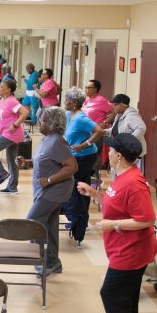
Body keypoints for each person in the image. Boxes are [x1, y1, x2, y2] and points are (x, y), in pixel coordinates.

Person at [76, 134, 157, 313]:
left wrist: (114, 225)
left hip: (132, 251)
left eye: (110, 151)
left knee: (111, 294)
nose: (107, 153)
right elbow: (117, 205)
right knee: (127, 295)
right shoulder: (121, 176)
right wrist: (95, 195)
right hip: (122, 248)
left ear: (119, 156)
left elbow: (147, 219)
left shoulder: (134, 183)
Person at [25, 106, 78, 275]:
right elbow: (45, 160)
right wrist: (27, 162)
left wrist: (49, 180)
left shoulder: (57, 141)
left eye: (43, 119)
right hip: (46, 190)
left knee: (32, 222)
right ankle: (53, 262)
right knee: (50, 224)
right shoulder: (47, 139)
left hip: (54, 190)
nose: (39, 122)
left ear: (53, 123)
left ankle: (45, 258)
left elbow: (72, 166)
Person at [61, 87, 103, 245]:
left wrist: (84, 144)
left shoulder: (81, 118)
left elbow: (99, 131)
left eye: (67, 100)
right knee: (79, 187)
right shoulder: (68, 115)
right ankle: (80, 220)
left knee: (76, 186)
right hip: (73, 156)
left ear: (74, 103)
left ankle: (79, 219)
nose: (65, 102)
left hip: (85, 157)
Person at [0, 77, 29, 195]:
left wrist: (15, 124)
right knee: (11, 160)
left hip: (12, 133)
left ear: (9, 90)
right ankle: (12, 187)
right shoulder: (2, 100)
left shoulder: (12, 101)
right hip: (8, 133)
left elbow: (25, 112)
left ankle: (1, 173)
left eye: (2, 87)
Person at [108, 93, 148, 162]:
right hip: (122, 151)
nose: (113, 106)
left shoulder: (131, 115)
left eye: (116, 104)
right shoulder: (119, 115)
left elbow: (141, 127)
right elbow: (114, 130)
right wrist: (103, 131)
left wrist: (128, 141)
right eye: (113, 104)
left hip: (131, 152)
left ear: (124, 105)